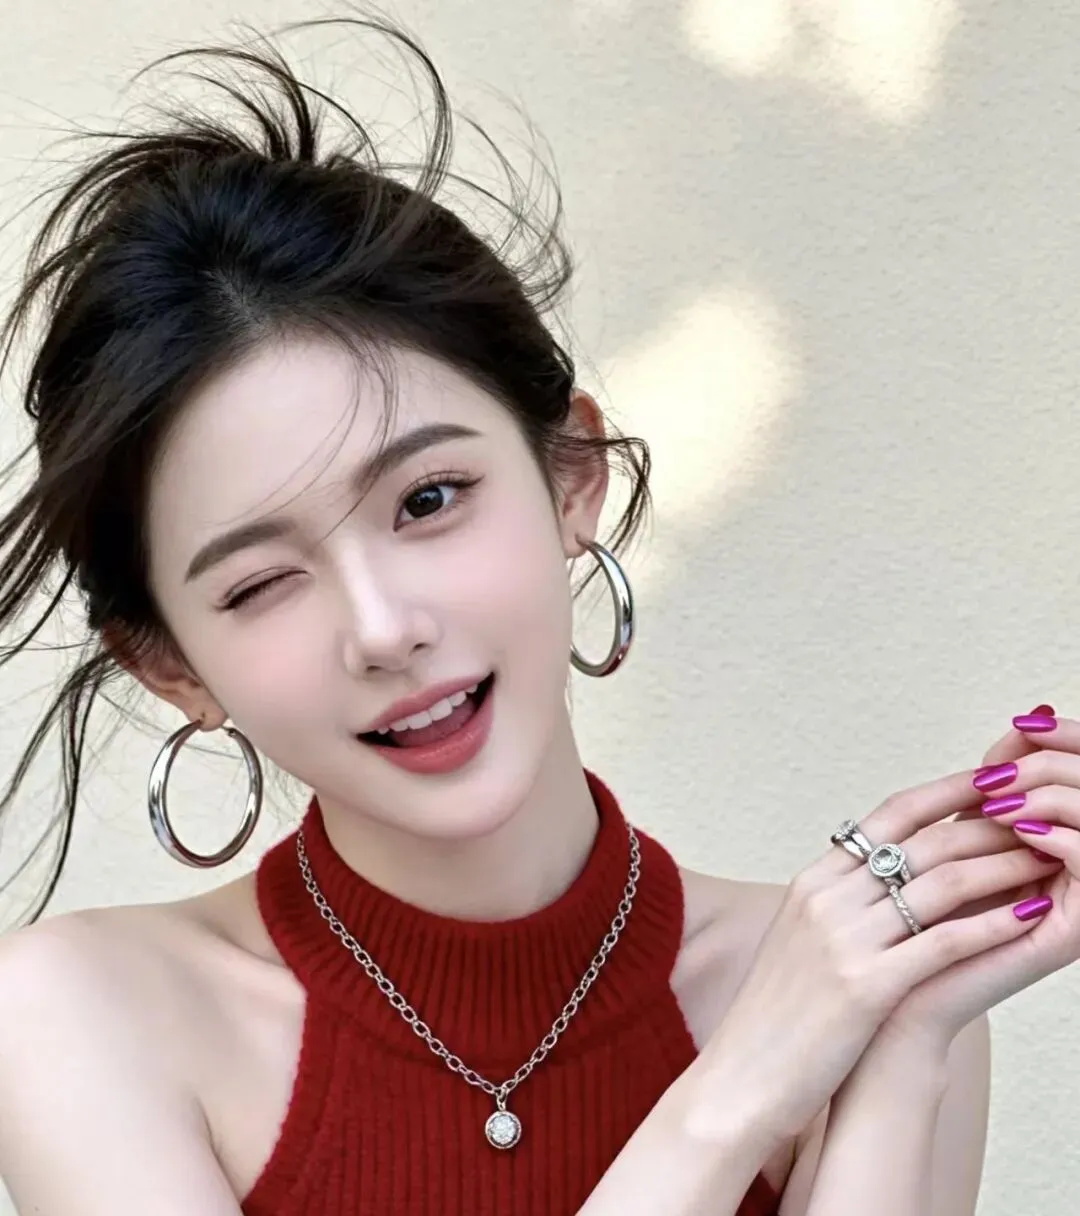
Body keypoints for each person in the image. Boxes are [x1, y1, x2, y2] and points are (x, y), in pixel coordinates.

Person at [0, 13, 1078, 1216]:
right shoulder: (80, 1017)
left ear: (572, 474)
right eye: (259, 584)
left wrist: (908, 1032)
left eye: (428, 499)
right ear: (170, 666)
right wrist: (737, 1094)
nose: (383, 627)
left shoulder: (855, 985)